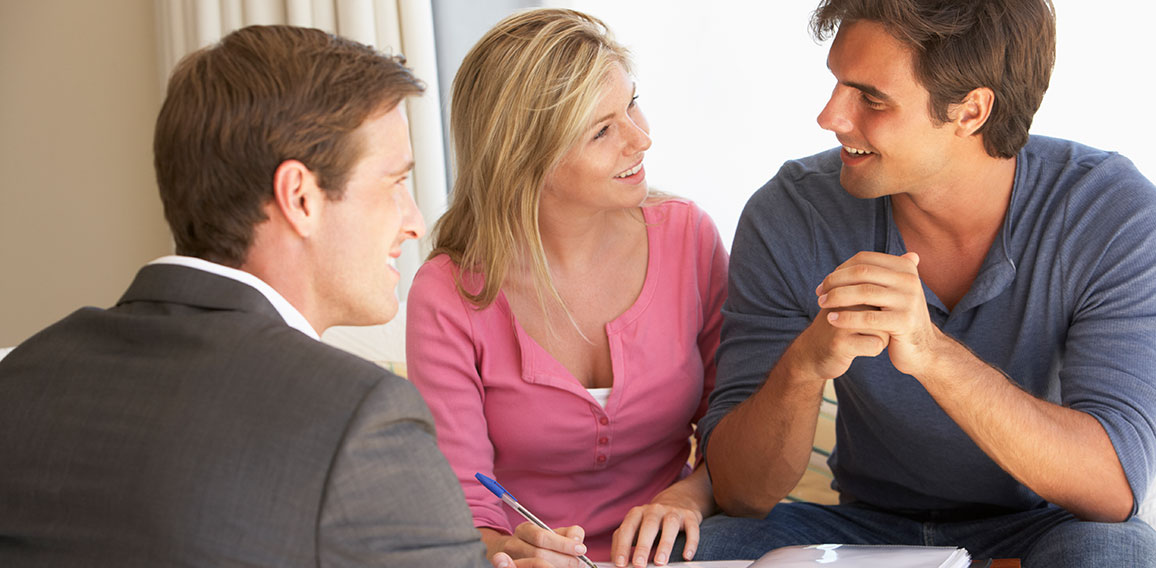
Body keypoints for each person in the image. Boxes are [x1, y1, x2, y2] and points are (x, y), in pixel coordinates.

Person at [0, 25, 501, 567]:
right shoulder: (360, 418)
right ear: (300, 198)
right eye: (395, 183)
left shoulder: (22, 378)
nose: (414, 222)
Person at [694, 0, 1156, 565]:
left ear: (970, 112)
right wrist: (804, 364)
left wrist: (933, 355)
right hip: (863, 523)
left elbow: (1114, 489)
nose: (830, 115)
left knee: (1118, 553)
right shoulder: (791, 212)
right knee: (702, 548)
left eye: (870, 97)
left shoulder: (1107, 211)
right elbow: (741, 493)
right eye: (838, 84)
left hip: (1045, 524)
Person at [405, 8, 729, 568]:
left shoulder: (689, 237)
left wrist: (690, 495)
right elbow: (464, 504)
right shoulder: (448, 293)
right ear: (526, 160)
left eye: (631, 103)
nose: (641, 138)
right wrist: (510, 550)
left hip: (684, 553)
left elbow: (733, 420)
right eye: (602, 130)